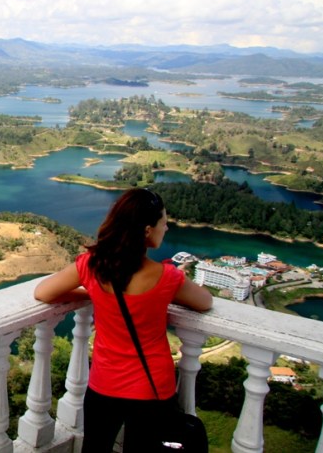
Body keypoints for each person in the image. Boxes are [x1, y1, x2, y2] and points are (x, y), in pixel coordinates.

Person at [34, 187, 212, 452]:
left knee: (95, 448)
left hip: (105, 383)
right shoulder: (167, 277)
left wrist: (93, 292)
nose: (166, 228)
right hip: (152, 387)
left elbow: (43, 292)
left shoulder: (93, 266)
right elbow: (205, 302)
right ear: (147, 230)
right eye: (164, 222)